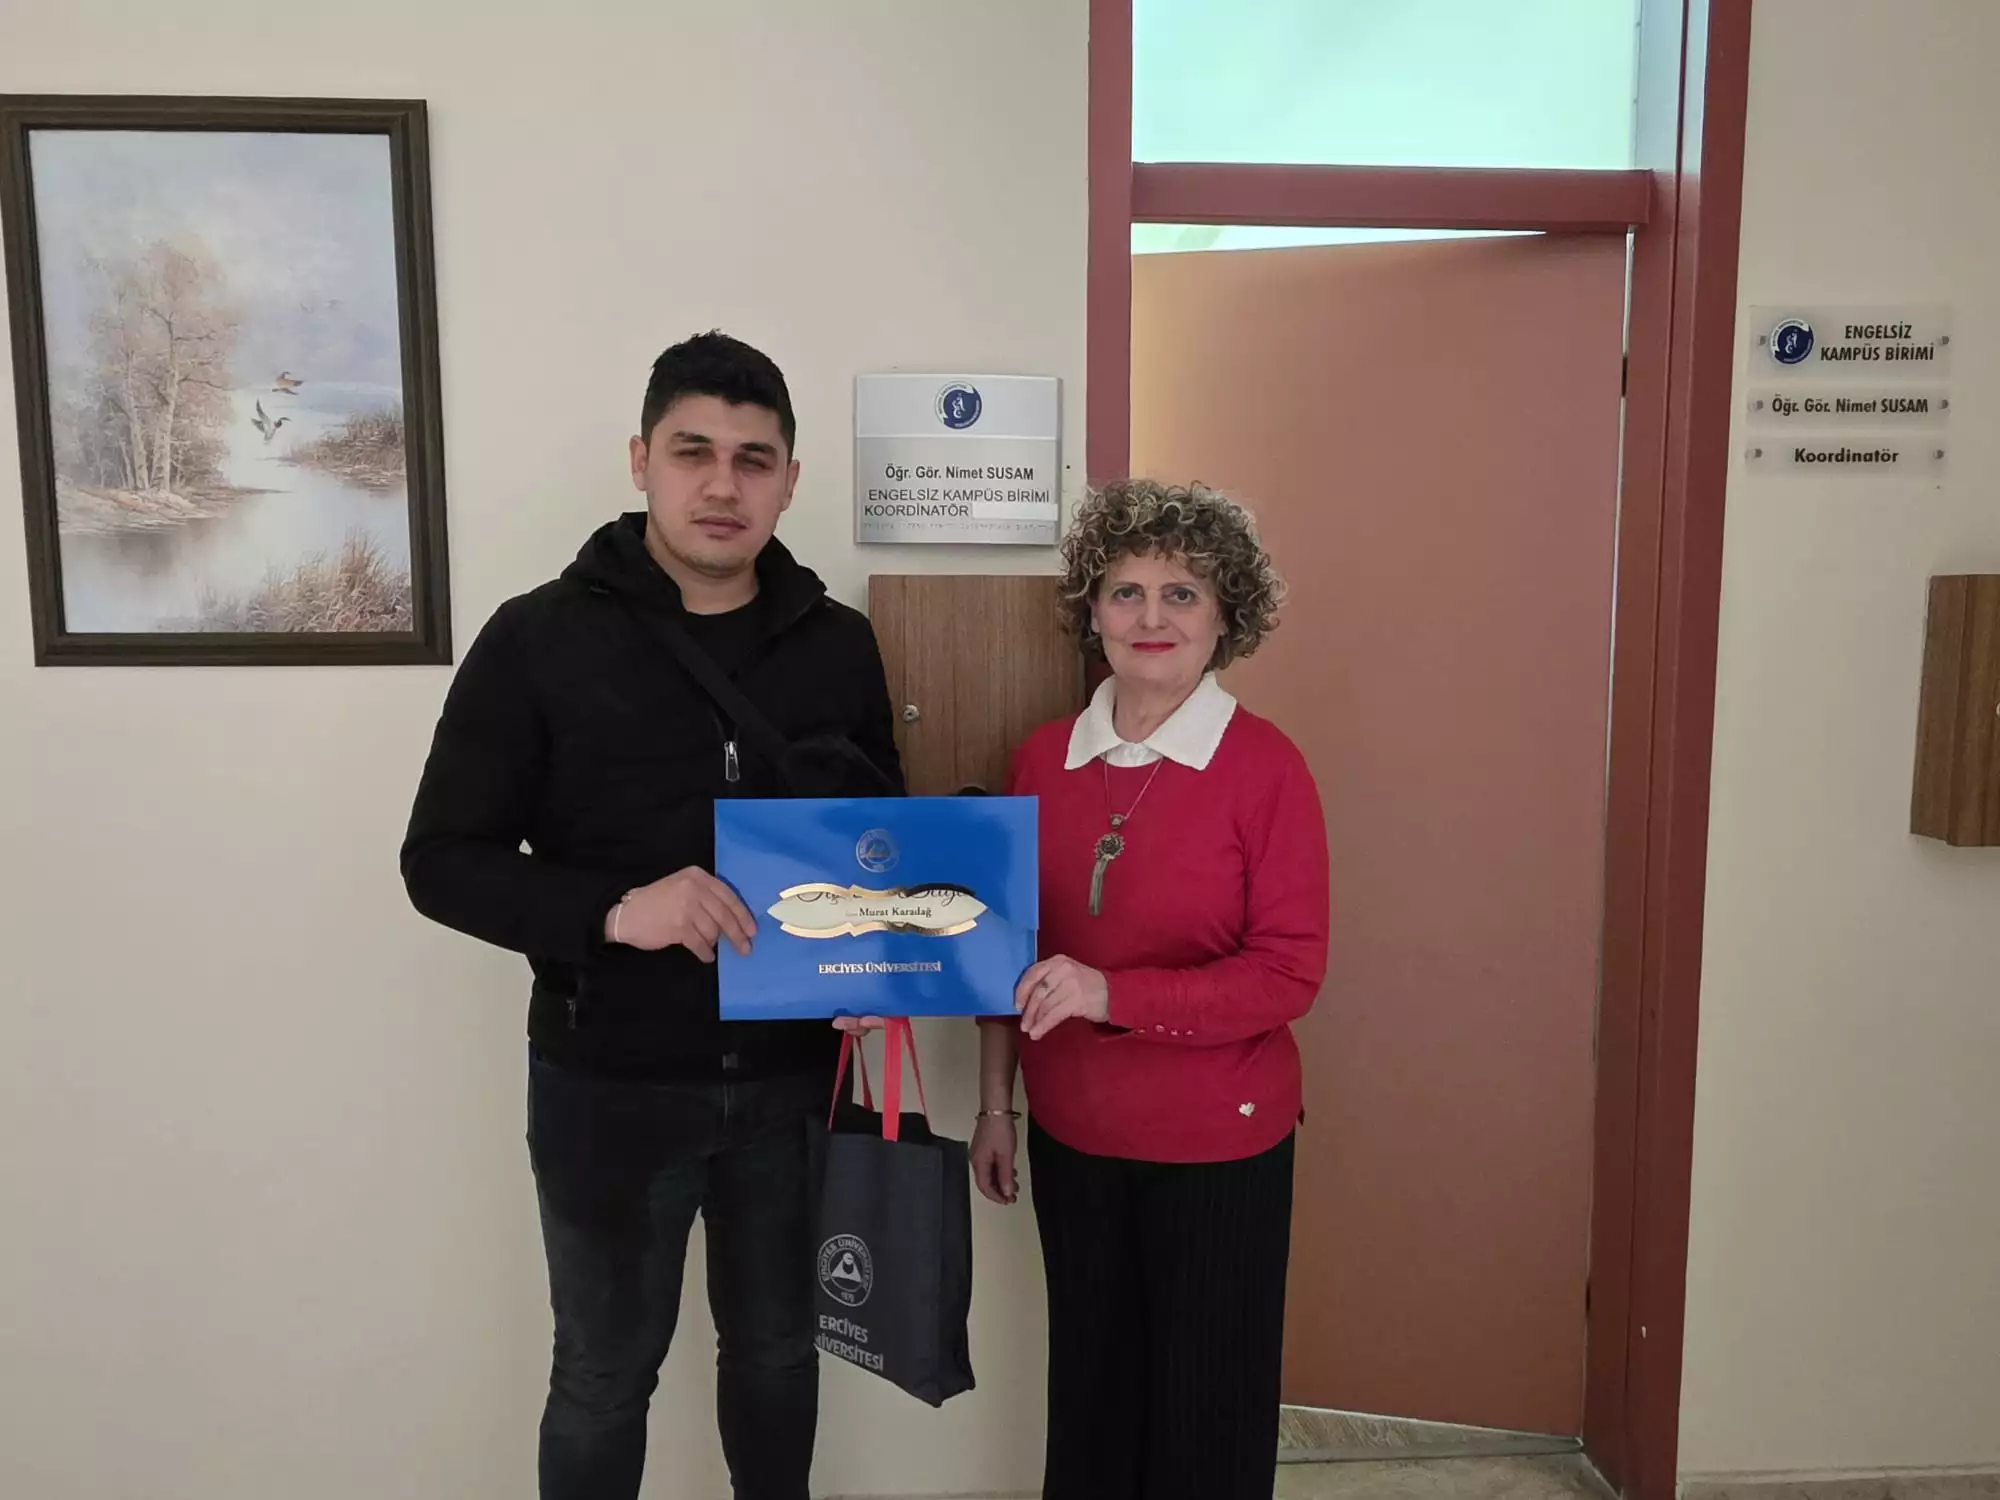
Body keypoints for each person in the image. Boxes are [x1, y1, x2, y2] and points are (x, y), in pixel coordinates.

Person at [400, 331, 901, 1500]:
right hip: (605, 1083)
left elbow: (875, 846)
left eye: (752, 459)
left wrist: (880, 966)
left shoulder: (838, 646)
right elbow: (440, 862)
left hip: (790, 1083)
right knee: (601, 1377)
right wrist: (617, 911)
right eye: (692, 452)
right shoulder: (537, 637)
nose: (722, 484)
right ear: (640, 462)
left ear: (789, 479)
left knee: (779, 1354)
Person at [977, 479, 1330, 1500]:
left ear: (1225, 616)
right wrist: (994, 1106)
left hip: (1220, 1144)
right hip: (1074, 1135)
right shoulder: (1040, 760)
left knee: (1205, 1419)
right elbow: (1004, 952)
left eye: (1182, 593)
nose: (1150, 617)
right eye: (1125, 591)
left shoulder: (1266, 769)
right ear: (1090, 610)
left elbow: (1287, 973)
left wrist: (1112, 995)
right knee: (1092, 1405)